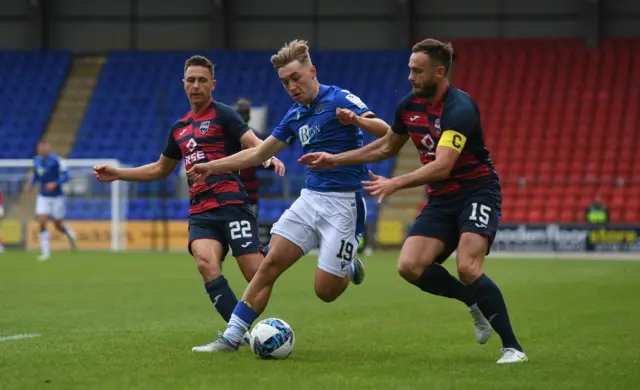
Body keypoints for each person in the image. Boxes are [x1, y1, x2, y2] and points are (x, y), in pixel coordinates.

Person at [299, 39, 528, 364]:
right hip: (442, 199)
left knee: (467, 266)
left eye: (418, 71)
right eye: (409, 69)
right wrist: (335, 159)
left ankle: (513, 348)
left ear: (439, 72)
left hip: (477, 192)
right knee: (409, 266)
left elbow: (443, 165)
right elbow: (386, 147)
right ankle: (472, 302)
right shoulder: (408, 106)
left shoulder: (459, 109)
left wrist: (396, 183)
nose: (410, 76)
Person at [185, 39, 389, 352]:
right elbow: (257, 154)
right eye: (284, 82)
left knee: (326, 291)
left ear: (312, 71)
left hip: (343, 204)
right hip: (309, 200)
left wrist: (357, 120)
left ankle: (347, 265)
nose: (291, 87)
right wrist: (211, 166)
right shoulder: (295, 115)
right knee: (268, 266)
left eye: (296, 78)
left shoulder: (338, 98)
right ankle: (232, 336)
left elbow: (386, 132)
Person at [93, 55, 285, 351]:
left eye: (202, 80)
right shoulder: (178, 128)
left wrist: (268, 156)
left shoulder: (224, 115)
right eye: (191, 80)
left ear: (213, 85)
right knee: (206, 263)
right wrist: (118, 173)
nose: (196, 85)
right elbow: (160, 169)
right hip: (201, 212)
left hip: (232, 205)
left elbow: (252, 141)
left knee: (257, 274)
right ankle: (238, 336)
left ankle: (246, 326)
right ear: (183, 84)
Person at [24, 140, 77, 261]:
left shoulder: (57, 161)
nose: (42, 149)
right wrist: (31, 184)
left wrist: (55, 183)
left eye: (44, 147)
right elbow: (37, 176)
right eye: (40, 147)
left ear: (49, 148)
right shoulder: (36, 160)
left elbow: (67, 177)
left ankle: (68, 233)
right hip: (43, 196)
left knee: (57, 224)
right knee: (42, 220)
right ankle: (45, 253)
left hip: (57, 197)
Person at [235, 97, 273, 218]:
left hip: (250, 192)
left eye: (245, 112)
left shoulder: (256, 137)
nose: (243, 115)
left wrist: (255, 160)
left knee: (251, 226)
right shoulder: (226, 137)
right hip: (231, 190)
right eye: (240, 112)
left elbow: (268, 162)